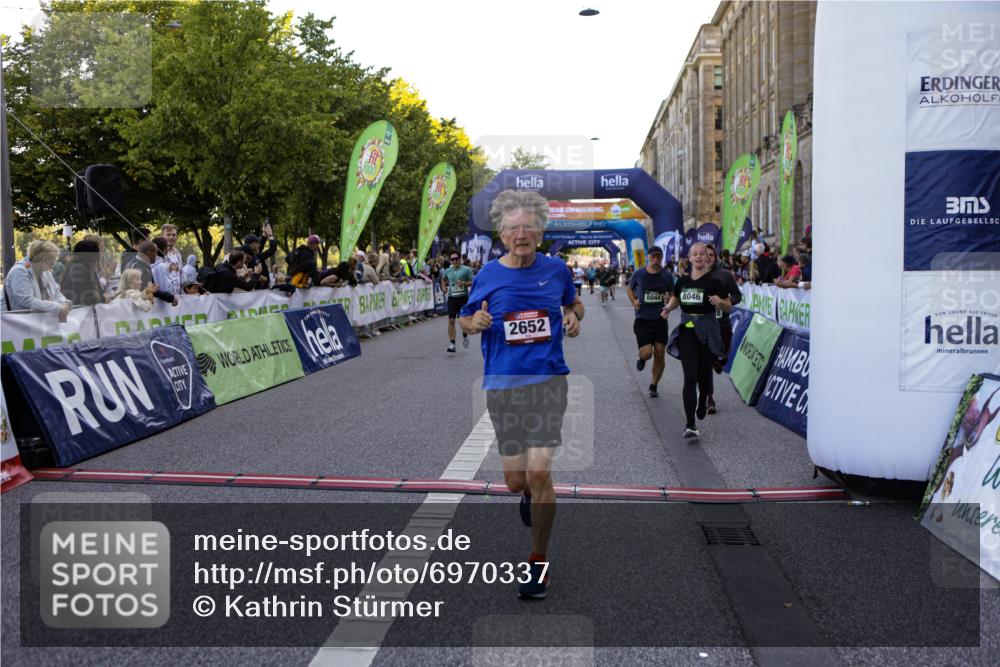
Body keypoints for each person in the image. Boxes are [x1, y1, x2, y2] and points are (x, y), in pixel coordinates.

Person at [459, 189, 583, 600]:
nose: (522, 233)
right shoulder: (488, 275)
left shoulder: (557, 270)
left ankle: (538, 564)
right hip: (503, 385)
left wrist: (571, 314)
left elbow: (575, 303)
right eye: (513, 227)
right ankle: (528, 492)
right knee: (515, 481)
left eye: (529, 226)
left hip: (548, 381)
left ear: (541, 231)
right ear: (502, 233)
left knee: (540, 472)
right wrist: (473, 322)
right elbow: (465, 318)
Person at [662, 242, 732, 438]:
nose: (700, 257)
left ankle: (702, 401)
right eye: (696, 254)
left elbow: (728, 306)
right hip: (687, 332)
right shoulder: (682, 281)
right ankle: (690, 424)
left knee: (703, 375)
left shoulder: (715, 282)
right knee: (690, 377)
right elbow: (676, 299)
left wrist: (721, 302)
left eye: (703, 254)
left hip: (708, 331)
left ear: (707, 258)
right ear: (690, 258)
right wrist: (668, 308)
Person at [627, 246, 674, 397]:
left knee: (660, 353)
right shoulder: (639, 274)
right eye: (653, 257)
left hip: (660, 319)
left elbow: (673, 295)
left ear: (661, 258)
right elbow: (629, 289)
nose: (656, 260)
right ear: (648, 257)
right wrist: (634, 301)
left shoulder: (666, 276)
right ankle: (642, 358)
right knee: (648, 353)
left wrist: (668, 301)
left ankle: (653, 385)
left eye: (658, 257)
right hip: (643, 319)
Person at [703, 244, 742, 414]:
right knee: (705, 361)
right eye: (705, 255)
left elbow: (738, 296)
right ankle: (709, 398)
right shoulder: (696, 275)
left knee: (723, 357)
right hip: (704, 325)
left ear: (716, 257)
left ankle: (719, 361)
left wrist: (725, 302)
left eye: (711, 255)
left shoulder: (725, 275)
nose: (708, 257)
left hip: (723, 322)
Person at [2, 240, 72, 319]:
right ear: (43, 259)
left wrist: (64, 302)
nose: (55, 261)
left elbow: (56, 292)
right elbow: (26, 300)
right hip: (13, 323)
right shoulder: (19, 271)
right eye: (52, 258)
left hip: (34, 322)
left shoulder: (46, 271)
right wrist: (57, 307)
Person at [442, 252, 474, 352]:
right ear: (451, 261)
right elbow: (443, 279)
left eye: (456, 259)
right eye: (453, 259)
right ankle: (452, 343)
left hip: (463, 298)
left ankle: (465, 335)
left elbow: (473, 281)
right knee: (451, 320)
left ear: (460, 259)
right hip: (452, 298)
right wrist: (443, 287)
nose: (455, 261)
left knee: (463, 321)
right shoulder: (448, 270)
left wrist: (464, 283)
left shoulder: (466, 269)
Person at [59, 240, 104, 306]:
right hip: (78, 313)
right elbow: (79, 297)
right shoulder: (78, 268)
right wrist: (102, 299)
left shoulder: (79, 266)